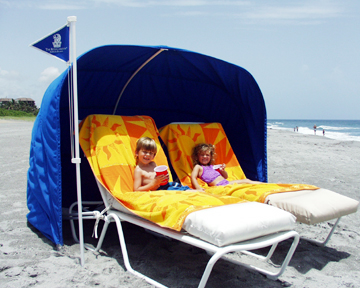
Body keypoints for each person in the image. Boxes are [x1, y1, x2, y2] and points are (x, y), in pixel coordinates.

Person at [191, 143, 262, 190]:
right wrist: (198, 188)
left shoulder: (212, 167)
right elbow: (193, 177)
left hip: (226, 182)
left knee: (247, 181)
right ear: (197, 157)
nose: (205, 157)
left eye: (207, 155)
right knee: (243, 186)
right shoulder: (198, 167)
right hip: (219, 186)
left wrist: (222, 170)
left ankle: (266, 185)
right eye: (202, 155)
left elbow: (225, 177)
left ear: (211, 157)